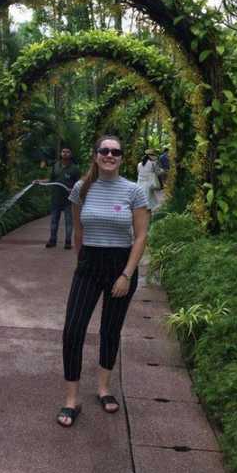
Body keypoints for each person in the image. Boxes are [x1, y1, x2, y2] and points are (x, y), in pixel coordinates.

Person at [56, 136, 149, 427]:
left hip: (121, 266)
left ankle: (103, 388)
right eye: (104, 151)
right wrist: (84, 260)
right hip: (89, 265)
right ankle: (72, 398)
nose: (109, 155)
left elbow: (141, 236)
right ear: (95, 156)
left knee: (110, 329)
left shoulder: (134, 191)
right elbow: (78, 230)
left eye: (116, 151)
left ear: (122, 157)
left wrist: (126, 274)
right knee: (73, 330)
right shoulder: (81, 189)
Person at [34, 145, 80, 249]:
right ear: (61, 153)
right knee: (54, 220)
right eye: (63, 151)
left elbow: (79, 185)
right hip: (56, 200)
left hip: (69, 201)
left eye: (67, 152)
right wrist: (39, 181)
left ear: (71, 154)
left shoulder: (75, 169)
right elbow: (50, 180)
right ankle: (52, 239)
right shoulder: (56, 167)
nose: (65, 153)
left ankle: (68, 241)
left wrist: (72, 190)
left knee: (69, 221)